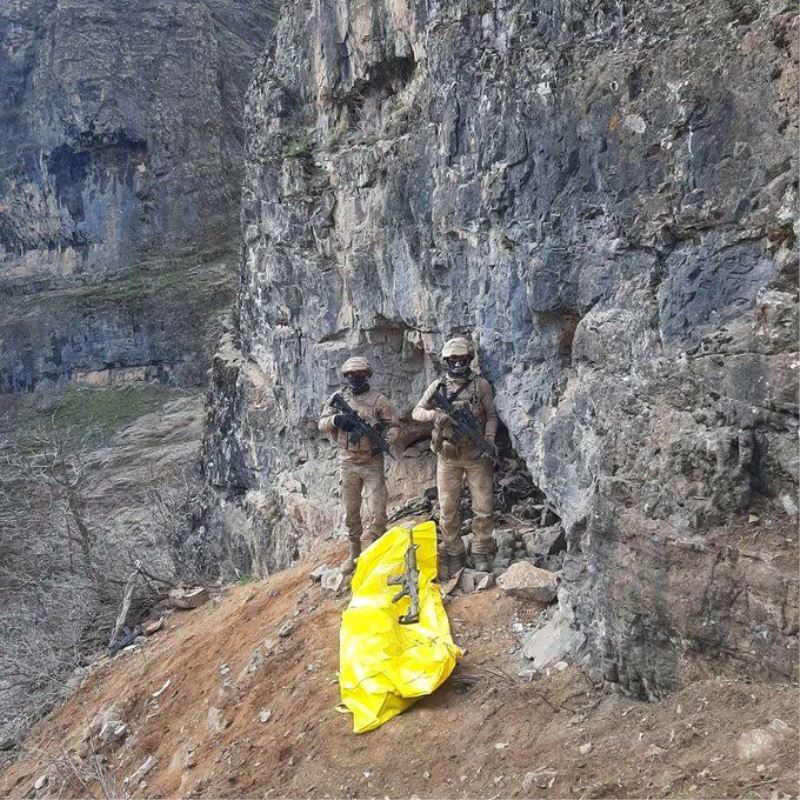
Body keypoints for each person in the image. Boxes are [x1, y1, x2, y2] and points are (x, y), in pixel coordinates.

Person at [413, 337, 498, 576]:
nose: (458, 363)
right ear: (446, 361)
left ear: (469, 358)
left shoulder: (480, 386)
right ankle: (454, 553)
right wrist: (435, 416)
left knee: (483, 508)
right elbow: (417, 412)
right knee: (448, 509)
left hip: (476, 456)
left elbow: (491, 416)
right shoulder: (439, 386)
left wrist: (488, 438)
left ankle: (480, 551)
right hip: (448, 458)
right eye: (453, 359)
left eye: (462, 359)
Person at [319, 356, 399, 574]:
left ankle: (377, 551)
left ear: (367, 375)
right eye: (352, 375)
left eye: (361, 374)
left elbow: (394, 426)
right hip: (348, 462)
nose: (356, 378)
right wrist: (336, 420)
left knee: (378, 510)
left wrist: (383, 442)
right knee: (351, 511)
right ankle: (354, 553)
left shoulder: (379, 400)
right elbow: (322, 423)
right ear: (346, 376)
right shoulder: (338, 398)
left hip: (372, 462)